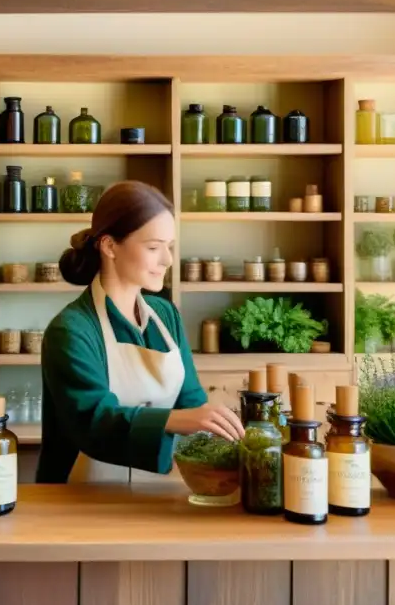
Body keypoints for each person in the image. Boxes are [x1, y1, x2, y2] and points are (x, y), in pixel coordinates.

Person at [36, 180, 244, 484]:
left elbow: (192, 403)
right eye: (153, 247)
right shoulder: (71, 331)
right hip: (80, 500)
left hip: (160, 493)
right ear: (109, 246)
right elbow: (95, 422)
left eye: (169, 247)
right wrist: (175, 420)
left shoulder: (166, 316)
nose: (168, 260)